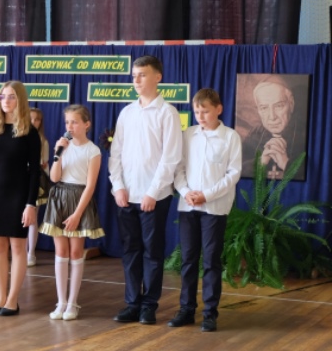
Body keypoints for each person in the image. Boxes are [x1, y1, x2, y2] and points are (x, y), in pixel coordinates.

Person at [108, 55, 182, 324]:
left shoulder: (167, 112)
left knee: (152, 252)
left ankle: (149, 305)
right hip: (126, 195)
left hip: (154, 196)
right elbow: (115, 154)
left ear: (157, 77)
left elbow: (171, 158)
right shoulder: (127, 112)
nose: (136, 80)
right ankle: (132, 302)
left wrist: (153, 192)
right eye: (134, 76)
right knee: (131, 251)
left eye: (142, 74)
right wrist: (118, 186)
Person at [169, 89, 242, 332]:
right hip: (188, 205)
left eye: (205, 111)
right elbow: (178, 168)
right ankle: (186, 310)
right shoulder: (188, 135)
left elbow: (233, 174)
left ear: (218, 109)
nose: (200, 116)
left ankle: (210, 313)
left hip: (214, 207)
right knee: (188, 259)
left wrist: (207, 195)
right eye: (197, 112)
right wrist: (185, 191)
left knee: (211, 260)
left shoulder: (230, 137)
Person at [0, 81, 41, 316]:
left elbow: (35, 171)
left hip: (18, 195)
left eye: (11, 96)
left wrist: (30, 203)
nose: (6, 101)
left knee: (18, 246)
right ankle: (1, 297)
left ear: (20, 99)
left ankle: (13, 299)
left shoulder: (29, 132)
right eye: (2, 96)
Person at [40, 104, 105, 320]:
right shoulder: (63, 146)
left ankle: (72, 303)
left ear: (86, 124)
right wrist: (58, 154)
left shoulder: (92, 151)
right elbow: (54, 178)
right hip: (59, 197)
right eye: (67, 122)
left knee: (76, 252)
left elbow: (90, 186)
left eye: (75, 122)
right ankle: (61, 302)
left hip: (79, 200)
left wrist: (77, 214)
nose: (70, 126)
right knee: (61, 251)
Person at [241, 78, 303, 179]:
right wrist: (260, 163)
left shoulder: (304, 136)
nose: (272, 117)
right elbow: (238, 174)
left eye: (278, 106)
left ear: (291, 104)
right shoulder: (253, 136)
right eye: (264, 108)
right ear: (258, 110)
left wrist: (286, 163)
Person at [27, 107, 50, 267]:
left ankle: (31, 253)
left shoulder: (43, 141)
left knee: (32, 218)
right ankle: (20, 251)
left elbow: (44, 165)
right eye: (31, 118)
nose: (33, 122)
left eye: (37, 119)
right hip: (18, 179)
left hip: (35, 180)